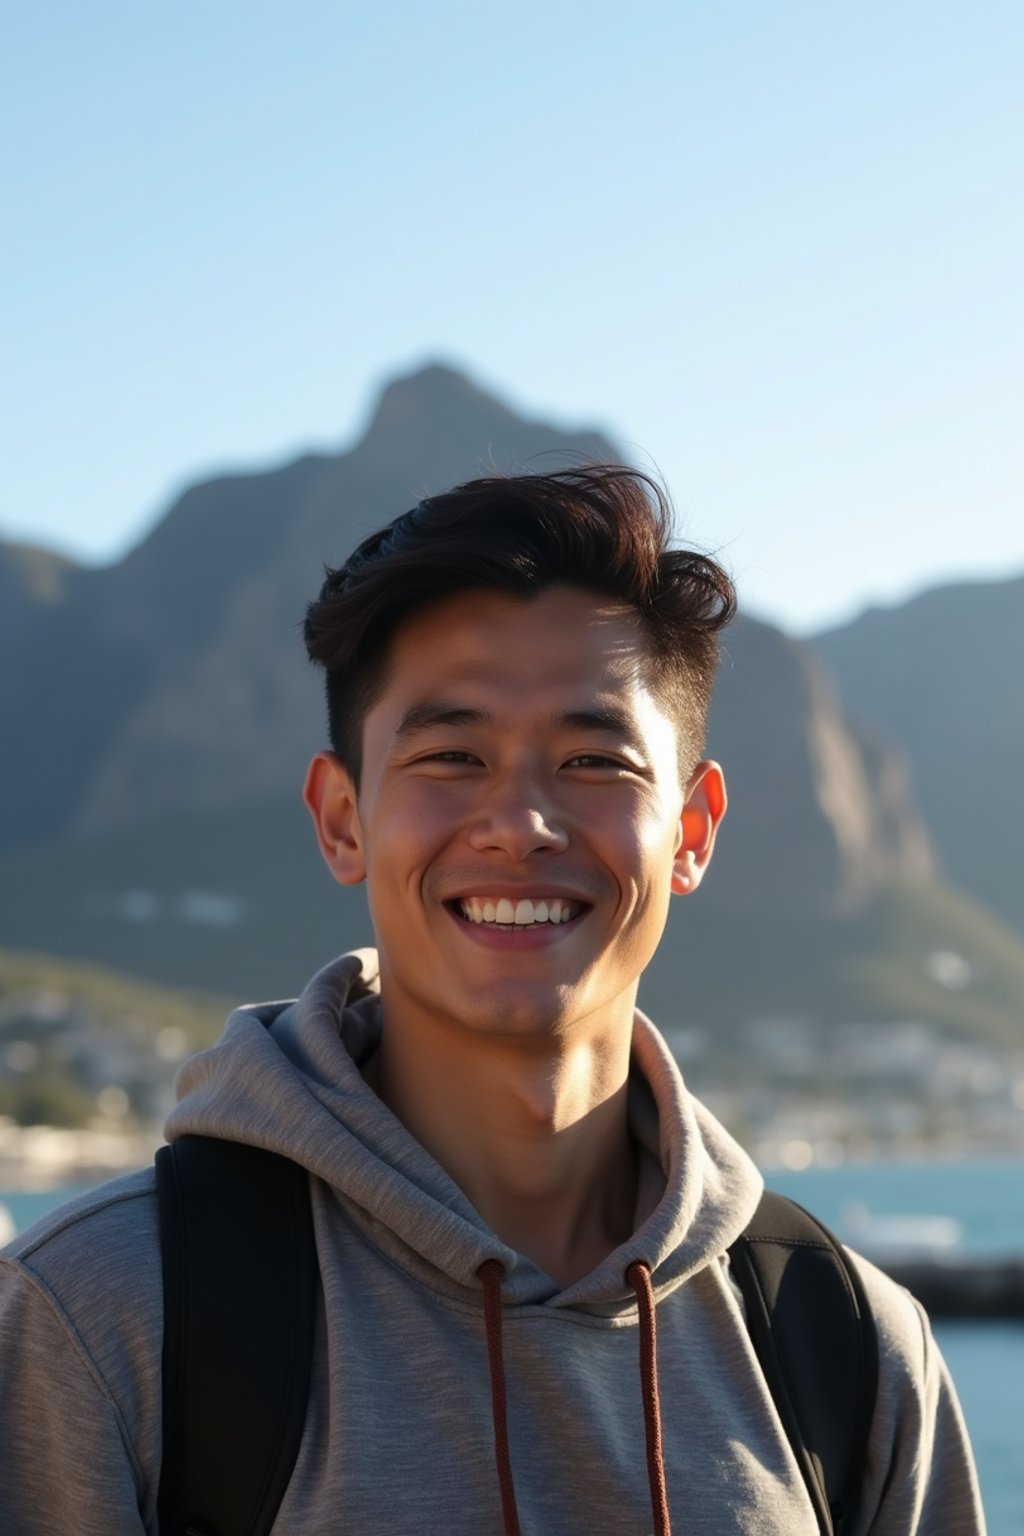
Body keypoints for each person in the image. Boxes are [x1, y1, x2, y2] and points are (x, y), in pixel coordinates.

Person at [0, 467, 984, 1534]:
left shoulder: (848, 1350)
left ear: (692, 831)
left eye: (593, 760)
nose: (519, 823)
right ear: (341, 820)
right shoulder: (104, 1317)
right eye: (451, 755)